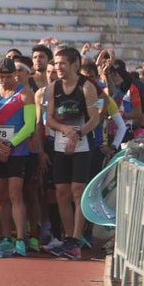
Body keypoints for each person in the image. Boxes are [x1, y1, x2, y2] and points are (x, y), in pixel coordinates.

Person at [45, 47, 100, 260]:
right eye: (56, 64)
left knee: (78, 191)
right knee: (61, 192)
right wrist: (64, 130)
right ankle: (68, 237)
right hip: (60, 143)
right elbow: (49, 119)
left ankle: (76, 240)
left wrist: (77, 133)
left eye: (62, 64)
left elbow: (94, 118)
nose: (58, 68)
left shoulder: (87, 87)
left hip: (82, 145)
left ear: (74, 65)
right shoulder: (53, 88)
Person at [0, 57, 34, 256]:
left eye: (8, 76)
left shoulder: (25, 94)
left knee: (15, 194)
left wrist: (10, 145)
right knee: (1, 195)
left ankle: (20, 239)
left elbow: (29, 125)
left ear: (15, 74)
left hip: (17, 151)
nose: (4, 80)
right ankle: (6, 238)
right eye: (0, 76)